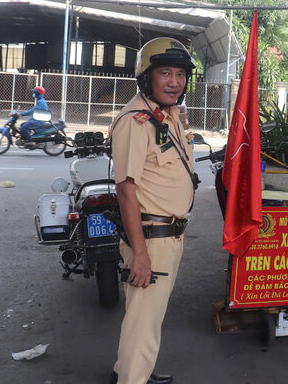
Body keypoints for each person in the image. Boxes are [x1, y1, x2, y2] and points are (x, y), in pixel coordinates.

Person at [109, 37, 197, 384]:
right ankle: (133, 379)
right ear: (147, 77)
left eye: (180, 74)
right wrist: (141, 255)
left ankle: (130, 372)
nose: (175, 82)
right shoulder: (137, 121)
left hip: (168, 236)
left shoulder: (168, 115)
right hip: (151, 237)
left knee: (147, 318)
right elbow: (126, 189)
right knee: (143, 322)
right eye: (165, 73)